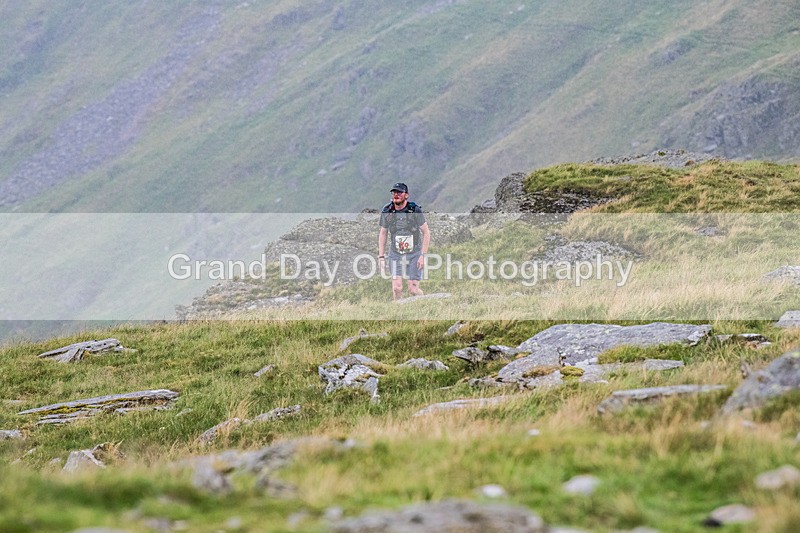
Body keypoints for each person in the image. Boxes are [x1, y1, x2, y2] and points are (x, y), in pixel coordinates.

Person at [378, 182, 430, 300]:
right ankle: (399, 312)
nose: (396, 195)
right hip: (396, 254)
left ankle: (423, 302)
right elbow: (383, 233)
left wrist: (423, 255)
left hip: (414, 253)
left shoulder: (414, 210)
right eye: (394, 192)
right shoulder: (387, 211)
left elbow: (426, 232)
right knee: (397, 288)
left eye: (399, 192)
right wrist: (381, 257)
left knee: (413, 290)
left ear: (406, 195)